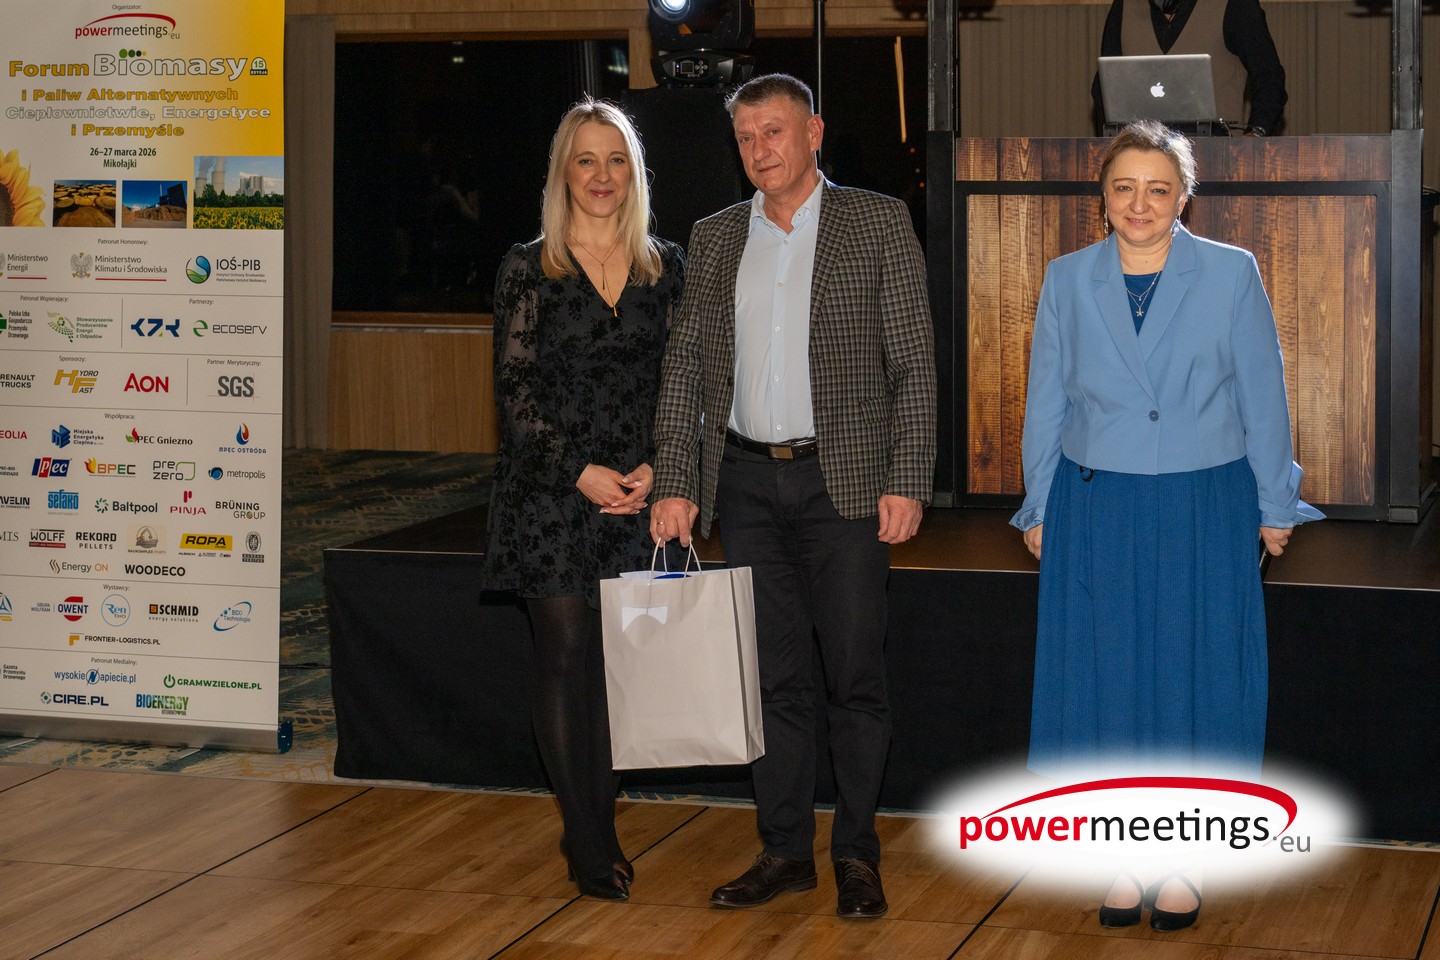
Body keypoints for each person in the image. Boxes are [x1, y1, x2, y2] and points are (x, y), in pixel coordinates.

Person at [1011, 120, 1321, 932]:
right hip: (1096, 505)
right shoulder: (1067, 278)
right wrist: (1039, 506)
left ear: (1184, 197)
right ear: (1102, 197)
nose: (1140, 203)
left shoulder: (1230, 272)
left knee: (1196, 674)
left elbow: (1263, 395)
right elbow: (1046, 402)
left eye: (1158, 189)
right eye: (1124, 187)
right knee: (1107, 679)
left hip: (1203, 504)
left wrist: (1275, 505)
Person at [649, 73, 936, 920]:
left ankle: (855, 853)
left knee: (853, 677)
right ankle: (784, 851)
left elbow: (913, 362)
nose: (759, 151)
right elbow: (686, 368)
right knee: (773, 680)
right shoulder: (713, 236)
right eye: (745, 138)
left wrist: (907, 477)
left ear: (814, 132)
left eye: (773, 132)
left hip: (842, 481)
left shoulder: (877, 221)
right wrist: (676, 481)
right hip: (742, 482)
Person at [481, 97, 685, 901]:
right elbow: (515, 390)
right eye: (586, 160)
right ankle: (589, 839)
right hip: (551, 494)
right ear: (563, 172)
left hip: (638, 493)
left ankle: (594, 820)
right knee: (565, 655)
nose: (602, 176)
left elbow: (687, 383)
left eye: (616, 160)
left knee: (617, 668)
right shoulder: (529, 267)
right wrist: (580, 471)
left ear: (634, 172)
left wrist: (658, 465)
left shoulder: (665, 267)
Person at [1091, 0, 1287, 136]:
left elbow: (1269, 78)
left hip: (1217, 159)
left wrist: (1255, 134)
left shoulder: (1236, 6)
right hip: (1140, 157)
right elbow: (1104, 87)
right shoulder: (1123, 7)